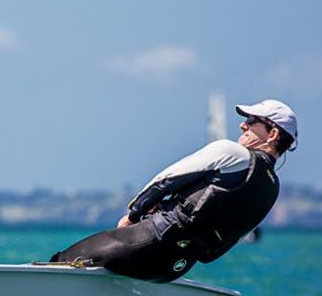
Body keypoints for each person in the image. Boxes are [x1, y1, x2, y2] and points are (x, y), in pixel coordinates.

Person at [49, 99, 298, 283]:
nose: (243, 126)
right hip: (174, 267)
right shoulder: (271, 188)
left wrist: (133, 215)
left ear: (273, 133)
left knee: (60, 263)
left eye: (252, 121)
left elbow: (165, 180)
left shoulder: (232, 153)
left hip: (148, 241)